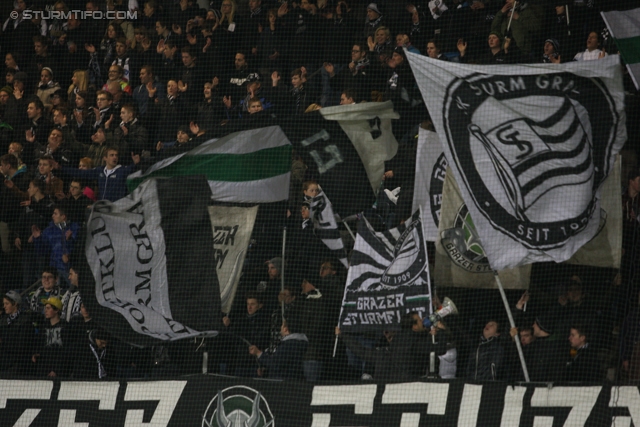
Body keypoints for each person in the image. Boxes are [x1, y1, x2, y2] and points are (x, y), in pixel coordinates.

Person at [337, 312, 447, 382]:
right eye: (419, 321)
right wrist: (441, 331)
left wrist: (343, 335)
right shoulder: (415, 344)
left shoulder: (393, 345)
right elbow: (441, 349)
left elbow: (362, 352)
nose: (423, 322)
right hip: (408, 389)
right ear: (414, 327)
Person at [58, 146, 141, 202]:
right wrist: (61, 168)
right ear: (105, 158)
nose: (115, 157)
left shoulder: (123, 170)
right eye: (112, 155)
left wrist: (136, 164)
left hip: (116, 208)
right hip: (103, 207)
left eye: (116, 155)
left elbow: (136, 171)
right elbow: (80, 173)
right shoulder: (100, 170)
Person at [248, 316, 308, 380]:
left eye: (282, 326)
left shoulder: (288, 345)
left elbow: (275, 364)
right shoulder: (299, 343)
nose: (280, 328)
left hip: (284, 384)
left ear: (285, 329)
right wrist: (266, 371)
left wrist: (258, 353)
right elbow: (284, 365)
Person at [32, 205, 79, 283]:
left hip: (70, 268)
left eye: (55, 214)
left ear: (63, 216)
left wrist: (69, 240)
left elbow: (77, 246)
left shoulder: (74, 228)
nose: (52, 216)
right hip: (54, 268)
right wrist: (38, 239)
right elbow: (43, 251)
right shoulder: (49, 230)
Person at [30, 296, 69, 377]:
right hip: (44, 367)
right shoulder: (43, 326)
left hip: (60, 368)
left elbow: (67, 350)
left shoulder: (66, 326)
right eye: (45, 308)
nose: (45, 310)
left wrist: (57, 370)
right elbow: (41, 345)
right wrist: (37, 354)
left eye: (48, 308)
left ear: (56, 310)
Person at [0, 290, 35, 374]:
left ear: (15, 304)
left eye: (7, 303)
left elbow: (22, 345)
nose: (4, 306)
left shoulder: (25, 320)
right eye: (4, 304)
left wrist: (3, 342)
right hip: (4, 363)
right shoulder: (2, 321)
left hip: (19, 365)